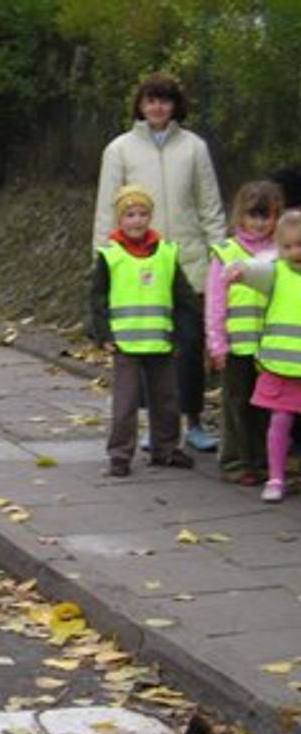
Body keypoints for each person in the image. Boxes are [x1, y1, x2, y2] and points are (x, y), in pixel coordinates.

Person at [93, 72, 227, 452]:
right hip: (136, 270)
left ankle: (195, 421)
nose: (157, 107)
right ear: (140, 105)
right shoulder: (118, 150)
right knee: (147, 348)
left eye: (165, 100)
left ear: (175, 105)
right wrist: (102, 263)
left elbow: (210, 206)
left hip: (188, 264)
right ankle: (155, 426)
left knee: (188, 344)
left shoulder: (195, 148)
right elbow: (107, 210)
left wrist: (220, 258)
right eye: (150, 100)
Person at [91, 185, 197, 476]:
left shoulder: (165, 253)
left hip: (161, 340)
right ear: (119, 219)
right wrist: (103, 335)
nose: (136, 221)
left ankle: (165, 448)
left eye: (142, 214)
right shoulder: (110, 255)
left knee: (166, 398)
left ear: (150, 217)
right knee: (125, 403)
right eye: (129, 214)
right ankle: (120, 454)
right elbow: (97, 299)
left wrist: (184, 332)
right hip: (125, 343)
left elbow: (183, 296)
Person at [205, 181, 283, 485]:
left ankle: (264, 461)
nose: (260, 223)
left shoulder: (282, 252)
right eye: (254, 215)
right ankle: (235, 462)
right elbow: (215, 303)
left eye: (267, 216)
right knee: (235, 403)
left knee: (266, 407)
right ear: (241, 215)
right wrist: (217, 344)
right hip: (236, 345)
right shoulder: (226, 252)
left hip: (270, 346)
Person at [223, 210, 301, 502]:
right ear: (278, 248)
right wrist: (238, 271)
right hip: (280, 366)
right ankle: (276, 476)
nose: (295, 252)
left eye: (300, 244)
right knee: (278, 422)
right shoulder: (276, 272)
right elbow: (256, 271)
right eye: (288, 246)